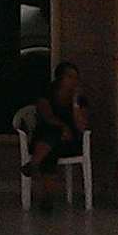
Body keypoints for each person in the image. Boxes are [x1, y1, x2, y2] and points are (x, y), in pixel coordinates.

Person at [24, 61, 91, 207]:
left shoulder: (80, 99)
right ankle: (48, 196)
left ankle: (34, 164)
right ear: (60, 78)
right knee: (52, 139)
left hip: (69, 141)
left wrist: (75, 103)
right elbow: (46, 115)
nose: (74, 81)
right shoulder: (47, 93)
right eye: (70, 77)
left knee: (52, 145)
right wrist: (63, 127)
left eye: (76, 77)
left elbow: (81, 126)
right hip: (45, 136)